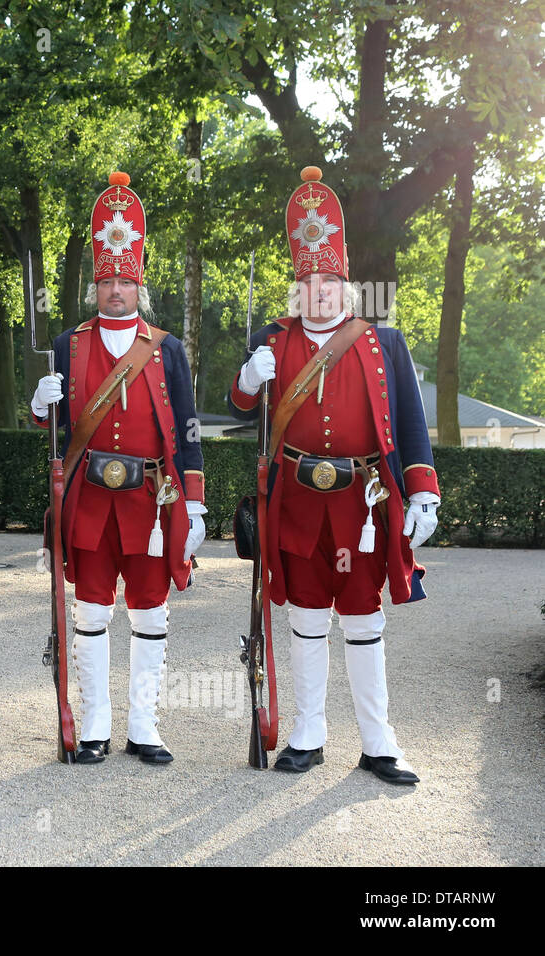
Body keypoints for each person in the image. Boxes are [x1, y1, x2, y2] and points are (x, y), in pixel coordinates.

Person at [228, 166, 439, 785]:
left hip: (363, 504)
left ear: (346, 284)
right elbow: (244, 409)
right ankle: (307, 734)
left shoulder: (382, 342)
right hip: (295, 500)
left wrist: (422, 491)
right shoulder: (271, 339)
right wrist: (247, 379)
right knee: (306, 615)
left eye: (331, 280)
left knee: (365, 619)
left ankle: (379, 743)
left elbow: (410, 423)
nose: (320, 290)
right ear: (298, 286)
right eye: (310, 280)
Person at [30, 171, 206, 765]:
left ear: (140, 284)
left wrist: (196, 500)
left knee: (151, 610)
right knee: (92, 609)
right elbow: (54, 430)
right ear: (95, 284)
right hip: (89, 498)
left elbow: (186, 427)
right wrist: (39, 406)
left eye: (125, 281)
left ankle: (144, 726)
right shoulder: (67, 344)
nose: (115, 291)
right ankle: (97, 724)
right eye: (106, 280)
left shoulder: (168, 347)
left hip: (150, 500)